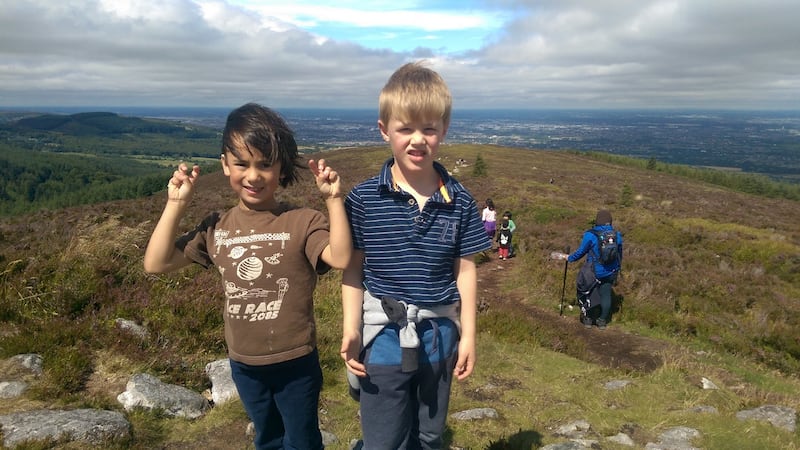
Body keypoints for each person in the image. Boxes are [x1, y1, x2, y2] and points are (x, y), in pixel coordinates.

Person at [143, 103, 351, 450]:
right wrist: (176, 204)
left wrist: (333, 200)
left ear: (281, 167)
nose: (253, 176)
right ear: (225, 164)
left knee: (302, 442)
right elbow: (156, 263)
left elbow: (341, 257)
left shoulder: (302, 221)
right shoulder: (216, 226)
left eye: (265, 164)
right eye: (241, 163)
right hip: (243, 364)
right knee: (266, 439)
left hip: (296, 363)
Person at [340, 61, 492, 449]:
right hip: (383, 335)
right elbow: (352, 270)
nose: (417, 139)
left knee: (429, 434)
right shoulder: (363, 199)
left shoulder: (461, 201)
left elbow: (466, 271)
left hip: (440, 337)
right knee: (383, 438)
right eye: (405, 128)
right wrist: (352, 329)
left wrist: (469, 335)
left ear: (444, 129)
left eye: (429, 128)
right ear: (384, 129)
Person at [554, 209, 622, 329]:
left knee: (586, 293)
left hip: (594, 271)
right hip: (610, 271)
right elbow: (619, 254)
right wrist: (617, 269)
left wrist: (569, 258)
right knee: (606, 294)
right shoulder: (617, 235)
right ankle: (602, 321)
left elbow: (581, 252)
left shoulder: (590, 234)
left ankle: (588, 319)